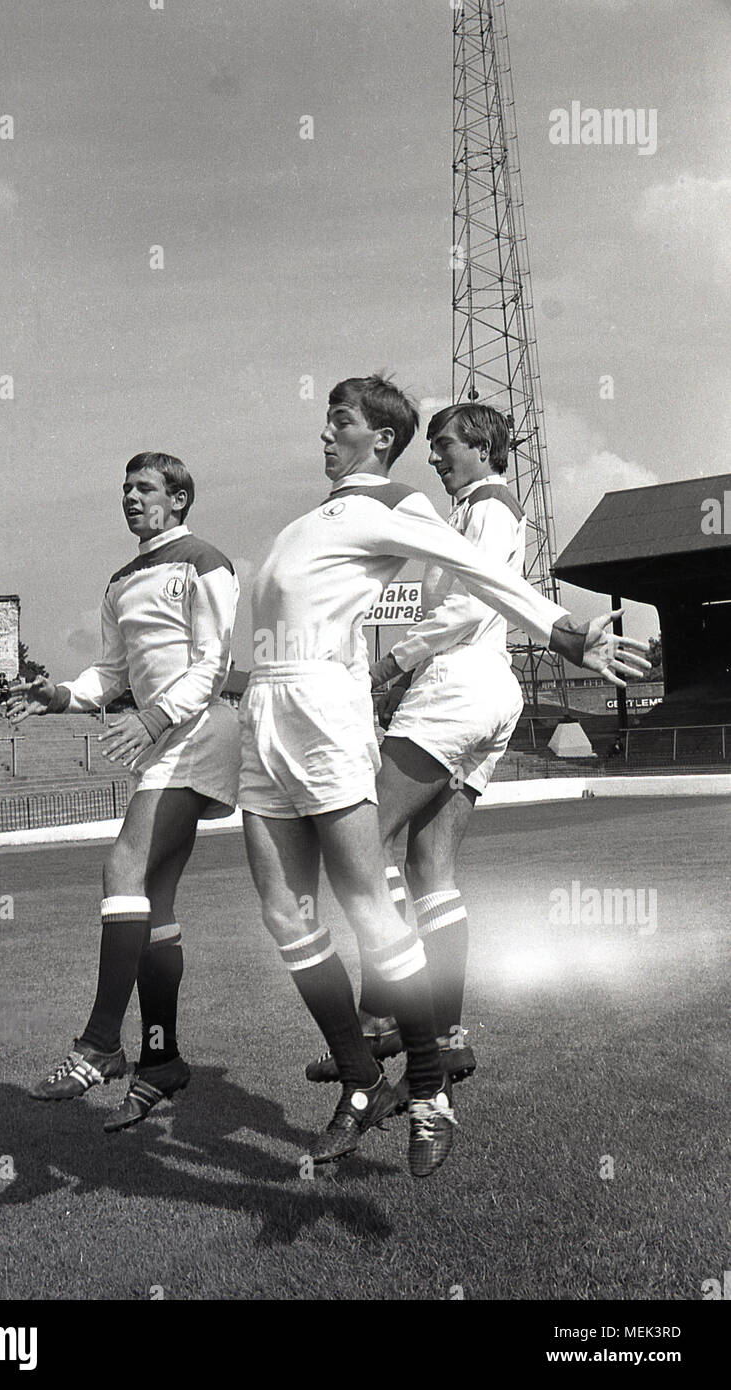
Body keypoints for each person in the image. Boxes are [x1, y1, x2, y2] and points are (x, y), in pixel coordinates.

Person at [240, 375, 648, 1179]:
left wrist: (564, 635)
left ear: (378, 438)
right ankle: (366, 1073)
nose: (324, 435)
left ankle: (421, 1075)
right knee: (292, 912)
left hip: (350, 699)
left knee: (366, 883)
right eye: (324, 422)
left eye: (341, 423)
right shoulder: (313, 518)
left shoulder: (403, 506)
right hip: (266, 708)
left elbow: (484, 578)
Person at [305, 403, 546, 1095]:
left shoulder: (489, 506)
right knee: (428, 867)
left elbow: (468, 607)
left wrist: (390, 665)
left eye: (444, 446)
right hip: (488, 690)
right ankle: (445, 1036)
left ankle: (381, 1018)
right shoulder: (481, 507)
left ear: (482, 445)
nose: (435, 458)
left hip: (457, 685)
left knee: (362, 839)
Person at [7, 452, 240, 1130]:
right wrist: (55, 694)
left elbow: (213, 662)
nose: (131, 499)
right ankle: (160, 1058)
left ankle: (100, 1044)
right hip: (160, 737)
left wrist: (152, 718)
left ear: (179, 498)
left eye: (145, 488)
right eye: (126, 489)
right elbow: (107, 675)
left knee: (121, 867)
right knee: (153, 904)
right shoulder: (119, 581)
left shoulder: (205, 561)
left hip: (197, 733)